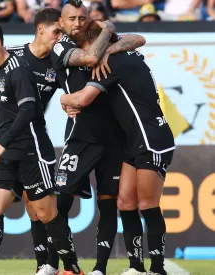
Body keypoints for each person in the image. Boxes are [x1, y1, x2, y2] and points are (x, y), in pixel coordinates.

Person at [0, 19, 84, 275]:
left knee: (46, 214)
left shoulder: (18, 70)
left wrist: (2, 142)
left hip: (32, 151)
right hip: (5, 152)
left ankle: (72, 268)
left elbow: (27, 110)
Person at [60, 40, 175, 275]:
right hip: (131, 141)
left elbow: (82, 99)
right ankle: (136, 266)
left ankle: (158, 268)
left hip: (150, 137)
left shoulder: (113, 62)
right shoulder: (123, 54)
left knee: (147, 204)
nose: (88, 52)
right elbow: (136, 38)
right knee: (125, 203)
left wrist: (64, 100)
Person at [50, 1, 145, 274]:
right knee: (61, 202)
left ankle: (100, 268)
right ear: (62, 23)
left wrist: (109, 48)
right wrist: (108, 34)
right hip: (79, 137)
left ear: (88, 19)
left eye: (82, 18)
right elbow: (90, 59)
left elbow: (139, 38)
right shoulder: (61, 47)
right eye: (72, 19)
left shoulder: (99, 40)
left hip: (113, 138)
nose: (78, 23)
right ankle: (63, 265)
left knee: (109, 204)